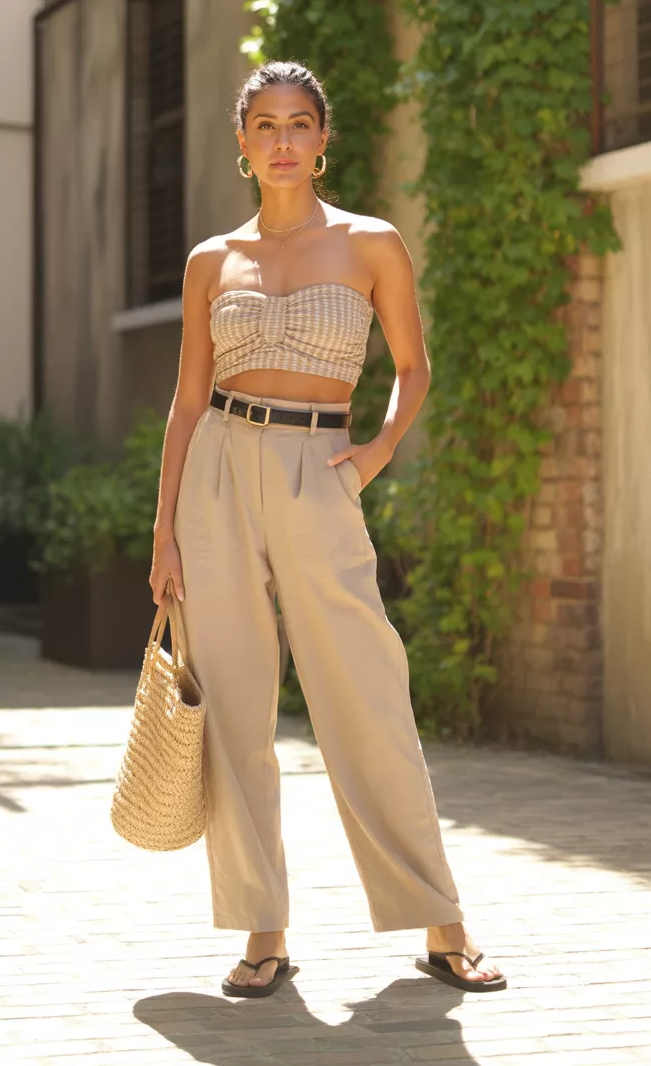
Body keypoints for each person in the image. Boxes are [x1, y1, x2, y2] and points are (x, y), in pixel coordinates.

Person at [149, 60, 506, 998]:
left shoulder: (370, 243)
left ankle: (444, 925)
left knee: (369, 695)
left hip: (322, 469)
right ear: (242, 142)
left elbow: (413, 368)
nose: (281, 140)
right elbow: (187, 403)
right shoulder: (209, 260)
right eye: (263, 124)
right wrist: (164, 537)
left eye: (298, 124)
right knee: (232, 708)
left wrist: (379, 452)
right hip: (218, 471)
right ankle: (263, 932)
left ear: (322, 139)